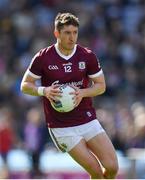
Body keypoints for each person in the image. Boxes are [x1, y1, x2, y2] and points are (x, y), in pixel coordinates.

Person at [20, 12, 118, 179]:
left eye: (75, 32)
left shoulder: (87, 56)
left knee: (112, 168)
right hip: (61, 126)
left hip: (87, 118)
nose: (72, 37)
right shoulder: (43, 57)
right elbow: (25, 85)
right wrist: (44, 90)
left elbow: (101, 86)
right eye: (67, 33)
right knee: (95, 170)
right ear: (56, 33)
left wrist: (83, 93)